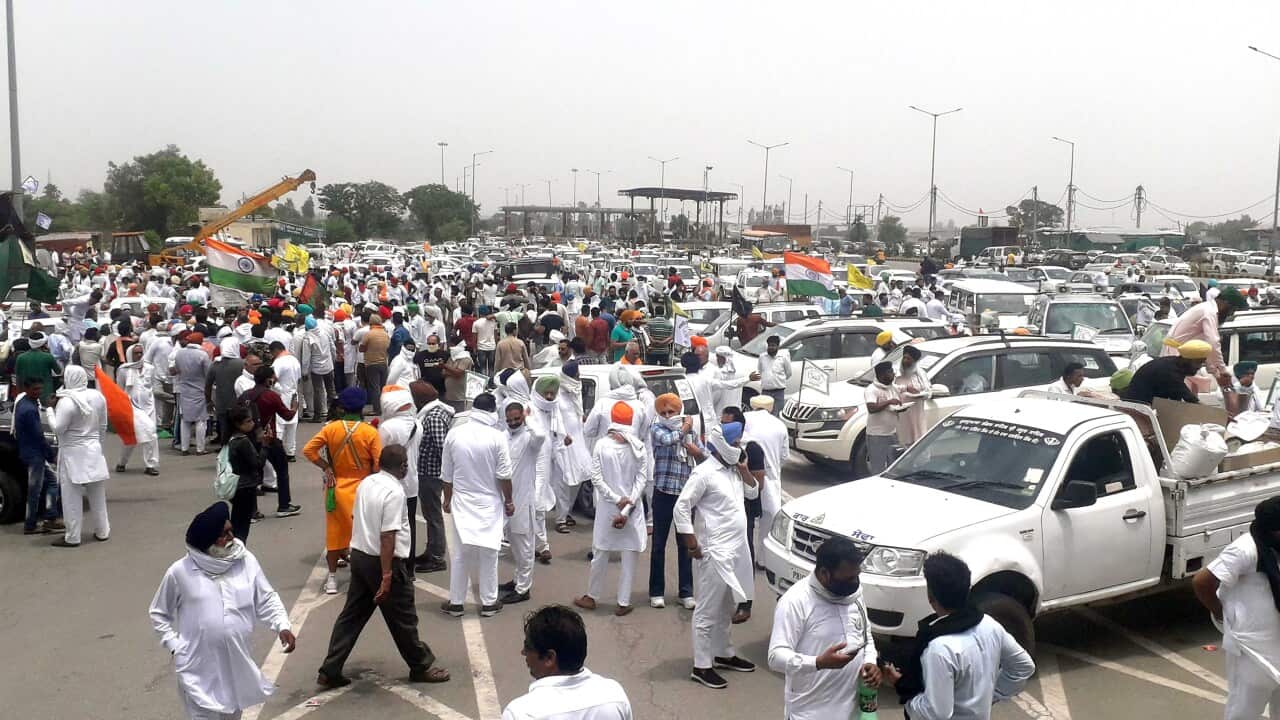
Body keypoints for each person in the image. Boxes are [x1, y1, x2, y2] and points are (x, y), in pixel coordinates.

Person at [317, 445, 452, 688]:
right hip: (382, 561)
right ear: (402, 467)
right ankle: (420, 665)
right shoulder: (395, 492)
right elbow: (388, 536)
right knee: (403, 618)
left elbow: (357, 517)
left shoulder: (368, 483)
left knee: (352, 616)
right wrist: (388, 574)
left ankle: (330, 668)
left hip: (360, 556)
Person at [149, 503, 296, 720]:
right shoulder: (180, 572)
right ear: (207, 542)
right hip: (198, 671)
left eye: (230, 530)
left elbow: (266, 598)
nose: (231, 537)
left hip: (234, 669)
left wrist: (282, 625)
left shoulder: (245, 561)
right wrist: (175, 647)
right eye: (224, 534)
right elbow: (158, 613)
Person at [883, 553, 1035, 719]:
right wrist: (990, 695)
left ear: (930, 597)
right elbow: (1023, 666)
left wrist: (904, 692)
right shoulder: (989, 625)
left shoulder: (939, 648)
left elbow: (936, 713)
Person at [674, 422, 760, 689]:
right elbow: (681, 507)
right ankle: (701, 665)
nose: (739, 448)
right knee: (707, 610)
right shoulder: (704, 473)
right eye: (735, 444)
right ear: (723, 445)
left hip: (736, 550)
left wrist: (744, 470)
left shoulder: (734, 471)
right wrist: (692, 544)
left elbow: (753, 491)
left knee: (726, 607)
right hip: (714, 552)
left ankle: (723, 653)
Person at [768, 536, 880, 720]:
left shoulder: (854, 595)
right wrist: (818, 662)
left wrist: (870, 662)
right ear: (824, 573)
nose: (855, 582)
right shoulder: (796, 601)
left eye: (857, 575)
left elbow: (865, 636)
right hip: (809, 713)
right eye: (849, 578)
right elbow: (775, 657)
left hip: (853, 712)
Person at [1193, 497, 1280, 720]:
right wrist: (1222, 614)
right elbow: (1202, 582)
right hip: (1253, 651)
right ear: (1273, 530)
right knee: (1245, 709)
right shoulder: (1245, 549)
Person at [441, 392, 515, 618]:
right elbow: (504, 475)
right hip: (489, 503)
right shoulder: (497, 437)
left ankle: (456, 603)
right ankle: (489, 603)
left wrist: (447, 499)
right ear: (493, 411)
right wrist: (509, 501)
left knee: (460, 553)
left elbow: (447, 475)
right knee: (489, 553)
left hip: (462, 501)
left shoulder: (455, 434)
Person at [302, 387, 382, 595]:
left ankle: (331, 580)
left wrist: (326, 467)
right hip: (362, 488)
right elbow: (378, 463)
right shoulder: (370, 432)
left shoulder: (331, 429)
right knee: (363, 534)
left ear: (342, 408)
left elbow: (308, 450)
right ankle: (364, 578)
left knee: (335, 534)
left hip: (335, 487)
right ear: (362, 407)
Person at [575, 401, 649, 617]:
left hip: (608, 508)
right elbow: (642, 479)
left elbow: (596, 479)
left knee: (601, 551)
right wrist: (629, 503)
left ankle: (592, 596)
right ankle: (623, 602)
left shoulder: (601, 445)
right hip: (632, 510)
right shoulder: (639, 447)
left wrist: (616, 500)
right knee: (629, 554)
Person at [501, 604, 633, 720]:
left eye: (528, 646)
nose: (523, 652)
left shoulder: (520, 713)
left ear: (549, 658)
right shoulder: (614, 696)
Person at [649, 393, 702, 610]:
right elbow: (669, 440)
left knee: (685, 544)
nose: (668, 415)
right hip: (663, 493)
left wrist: (697, 451)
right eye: (664, 412)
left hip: (684, 496)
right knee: (659, 545)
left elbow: (702, 452)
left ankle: (686, 592)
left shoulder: (689, 431)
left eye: (671, 411)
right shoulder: (657, 429)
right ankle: (656, 591)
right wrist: (685, 429)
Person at [51, 365, 110, 548]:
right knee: (98, 495)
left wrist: (49, 411)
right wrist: (97, 444)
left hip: (72, 454)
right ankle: (102, 531)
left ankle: (73, 537)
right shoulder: (97, 396)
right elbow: (103, 425)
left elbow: (58, 428)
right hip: (93, 450)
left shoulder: (66, 402)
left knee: (71, 498)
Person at [500, 400, 547, 605]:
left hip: (523, 501)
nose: (513, 423)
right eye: (509, 420)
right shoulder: (504, 437)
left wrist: (528, 419)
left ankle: (523, 588)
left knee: (525, 546)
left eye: (517, 419)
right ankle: (518, 579)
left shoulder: (530, 438)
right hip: (506, 500)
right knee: (515, 544)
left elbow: (541, 435)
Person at [240, 365, 300, 518]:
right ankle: (284, 505)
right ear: (268, 380)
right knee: (281, 470)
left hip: (249, 440)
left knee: (252, 475)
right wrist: (294, 407)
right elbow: (287, 416)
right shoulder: (271, 396)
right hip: (269, 439)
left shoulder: (245, 396)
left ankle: (252, 511)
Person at [1161, 287, 1249, 386]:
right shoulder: (1209, 312)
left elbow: (1205, 347)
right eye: (1233, 309)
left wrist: (1215, 372)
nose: (1231, 314)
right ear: (1225, 304)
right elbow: (1213, 343)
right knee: (1181, 393)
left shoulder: (1207, 308)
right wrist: (1222, 369)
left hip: (1182, 356)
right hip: (1177, 356)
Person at [378, 385, 423, 575]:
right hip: (411, 483)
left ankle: (390, 565)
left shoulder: (387, 428)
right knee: (409, 524)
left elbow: (379, 455)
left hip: (390, 484)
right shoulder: (417, 424)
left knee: (389, 526)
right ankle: (409, 567)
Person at [744, 394, 789, 566]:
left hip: (745, 475)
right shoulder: (779, 425)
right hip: (770, 478)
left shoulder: (745, 419)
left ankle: (745, 557)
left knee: (746, 518)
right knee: (769, 519)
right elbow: (784, 456)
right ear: (771, 408)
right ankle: (762, 560)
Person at [414, 381, 454, 574]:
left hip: (431, 473)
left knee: (433, 516)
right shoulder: (435, 412)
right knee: (430, 515)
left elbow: (442, 448)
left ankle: (437, 557)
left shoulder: (434, 417)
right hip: (426, 473)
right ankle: (431, 551)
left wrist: (446, 478)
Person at [15, 376, 61, 535]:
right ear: (26, 389)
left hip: (31, 452)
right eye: (35, 389)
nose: (38, 392)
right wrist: (50, 455)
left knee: (52, 482)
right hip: (35, 455)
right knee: (35, 490)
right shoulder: (28, 409)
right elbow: (38, 436)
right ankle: (31, 524)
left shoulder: (24, 402)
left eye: (39, 389)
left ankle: (50, 517)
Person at [225, 406, 268, 541]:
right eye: (248, 421)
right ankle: (238, 551)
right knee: (242, 527)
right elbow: (257, 463)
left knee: (237, 521)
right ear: (239, 424)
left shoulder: (231, 439)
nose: (252, 424)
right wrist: (264, 445)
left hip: (236, 485)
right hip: (245, 486)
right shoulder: (243, 442)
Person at [1123, 339, 1210, 405]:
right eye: (1198, 362)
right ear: (1187, 360)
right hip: (1138, 408)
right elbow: (1191, 400)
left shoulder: (1174, 363)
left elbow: (1176, 398)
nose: (1199, 367)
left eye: (1202, 362)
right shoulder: (1170, 372)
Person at [172, 332, 213, 455]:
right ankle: (200, 448)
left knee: (185, 420)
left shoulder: (180, 353)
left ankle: (184, 448)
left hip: (184, 390)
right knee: (201, 420)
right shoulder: (202, 355)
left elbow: (177, 369)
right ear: (200, 341)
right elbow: (208, 374)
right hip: (199, 390)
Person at [864, 361, 901, 474]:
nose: (893, 374)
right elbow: (872, 408)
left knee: (894, 466)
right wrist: (889, 401)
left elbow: (898, 401)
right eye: (890, 372)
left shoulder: (892, 387)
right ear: (882, 375)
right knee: (878, 467)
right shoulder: (872, 389)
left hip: (892, 433)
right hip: (877, 435)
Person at [894, 345, 933, 446]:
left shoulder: (920, 374)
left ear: (914, 361)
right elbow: (889, 390)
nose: (906, 361)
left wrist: (919, 394)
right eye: (905, 358)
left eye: (909, 359)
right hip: (901, 417)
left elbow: (928, 392)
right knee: (903, 444)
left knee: (919, 444)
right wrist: (905, 388)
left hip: (917, 416)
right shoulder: (895, 373)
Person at [16, 331, 58, 402]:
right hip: (45, 394)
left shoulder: (20, 357)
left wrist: (20, 394)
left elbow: (18, 378)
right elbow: (58, 371)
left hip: (27, 394)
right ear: (43, 343)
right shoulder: (48, 356)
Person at [757, 334, 791, 414]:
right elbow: (760, 371)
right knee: (765, 414)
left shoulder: (783, 358)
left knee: (778, 414)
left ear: (778, 346)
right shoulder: (762, 357)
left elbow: (789, 373)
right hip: (766, 392)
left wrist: (777, 381)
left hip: (778, 392)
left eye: (773, 345)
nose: (771, 347)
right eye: (769, 345)